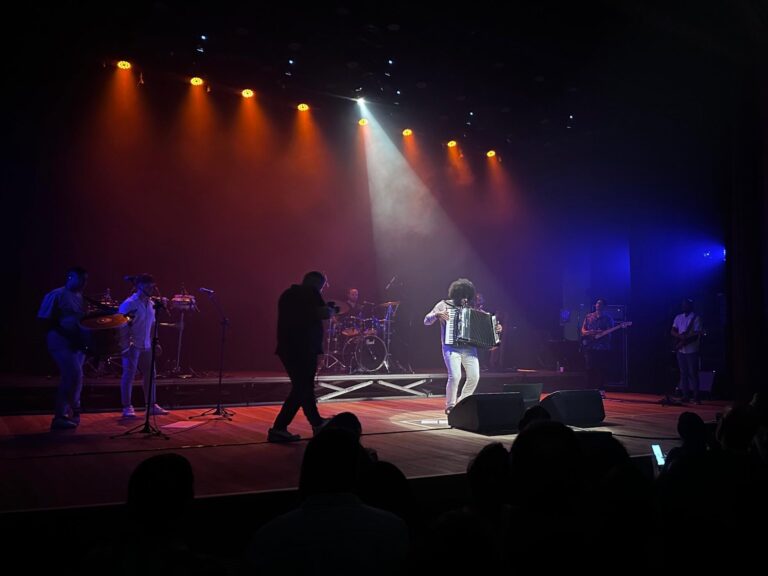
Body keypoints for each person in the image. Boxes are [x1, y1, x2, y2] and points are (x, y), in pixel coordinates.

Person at [269, 271, 337, 442]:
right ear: (316, 282)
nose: (321, 289)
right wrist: (331, 310)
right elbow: (322, 313)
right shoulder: (310, 292)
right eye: (322, 286)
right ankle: (281, 428)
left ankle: (315, 423)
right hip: (305, 348)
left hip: (287, 347)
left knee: (302, 388)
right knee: (303, 388)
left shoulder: (287, 294)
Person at [424, 278, 502, 414]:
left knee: (474, 377)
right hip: (451, 347)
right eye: (462, 296)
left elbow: (487, 324)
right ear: (455, 295)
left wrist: (496, 328)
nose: (464, 300)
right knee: (455, 376)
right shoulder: (443, 305)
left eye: (467, 297)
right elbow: (426, 321)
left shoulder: (471, 308)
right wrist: (436, 315)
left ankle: (462, 403)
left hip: (469, 348)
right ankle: (450, 405)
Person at [38, 266, 89, 430]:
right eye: (81, 279)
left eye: (85, 279)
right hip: (61, 342)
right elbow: (45, 320)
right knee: (74, 375)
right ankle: (60, 416)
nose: (84, 282)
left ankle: (69, 413)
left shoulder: (80, 297)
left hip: (76, 344)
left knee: (75, 377)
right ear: (70, 277)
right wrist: (68, 335)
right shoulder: (57, 295)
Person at [118, 274, 169, 417]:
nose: (151, 290)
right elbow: (121, 326)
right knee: (129, 374)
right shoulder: (129, 303)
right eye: (148, 287)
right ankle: (127, 406)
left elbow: (152, 325)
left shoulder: (151, 304)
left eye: (153, 287)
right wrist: (125, 346)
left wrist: (155, 342)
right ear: (139, 286)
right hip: (132, 345)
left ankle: (151, 405)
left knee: (151, 374)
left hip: (146, 344)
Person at [671, 298, 703, 404]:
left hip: (692, 350)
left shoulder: (696, 318)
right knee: (683, 374)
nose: (683, 306)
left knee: (693, 374)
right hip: (681, 350)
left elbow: (696, 335)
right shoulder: (678, 317)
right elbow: (673, 331)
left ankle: (696, 397)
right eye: (682, 304)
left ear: (690, 305)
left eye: (685, 304)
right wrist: (680, 337)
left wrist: (684, 341)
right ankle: (685, 396)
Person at [580, 298, 614, 396]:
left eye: (600, 304)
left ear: (604, 306)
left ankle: (601, 390)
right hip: (590, 346)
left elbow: (610, 332)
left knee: (601, 369)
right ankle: (588, 390)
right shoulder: (589, 316)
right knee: (589, 368)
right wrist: (590, 332)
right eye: (597, 303)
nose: (598, 305)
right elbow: (583, 330)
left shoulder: (608, 318)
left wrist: (601, 333)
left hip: (602, 347)